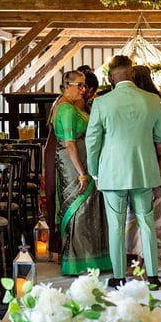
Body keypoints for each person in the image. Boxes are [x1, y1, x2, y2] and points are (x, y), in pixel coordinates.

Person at [86, 55, 161, 287]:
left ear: (111, 78)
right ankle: (152, 276)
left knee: (116, 226)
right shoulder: (152, 100)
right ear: (132, 73)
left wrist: (94, 171)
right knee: (147, 223)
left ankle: (119, 276)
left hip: (112, 171)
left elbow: (93, 141)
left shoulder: (101, 103)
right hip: (143, 169)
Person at [49, 70, 111, 275]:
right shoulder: (66, 109)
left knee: (88, 207)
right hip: (73, 164)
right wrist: (82, 173)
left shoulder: (70, 106)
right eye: (80, 86)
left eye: (85, 86)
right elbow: (69, 144)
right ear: (67, 86)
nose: (84, 90)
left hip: (80, 161)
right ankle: (79, 260)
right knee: (79, 207)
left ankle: (93, 257)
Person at [126, 66, 161, 262]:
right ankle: (140, 253)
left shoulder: (158, 104)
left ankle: (152, 253)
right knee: (144, 211)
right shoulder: (156, 103)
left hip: (155, 161)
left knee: (153, 210)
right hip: (147, 161)